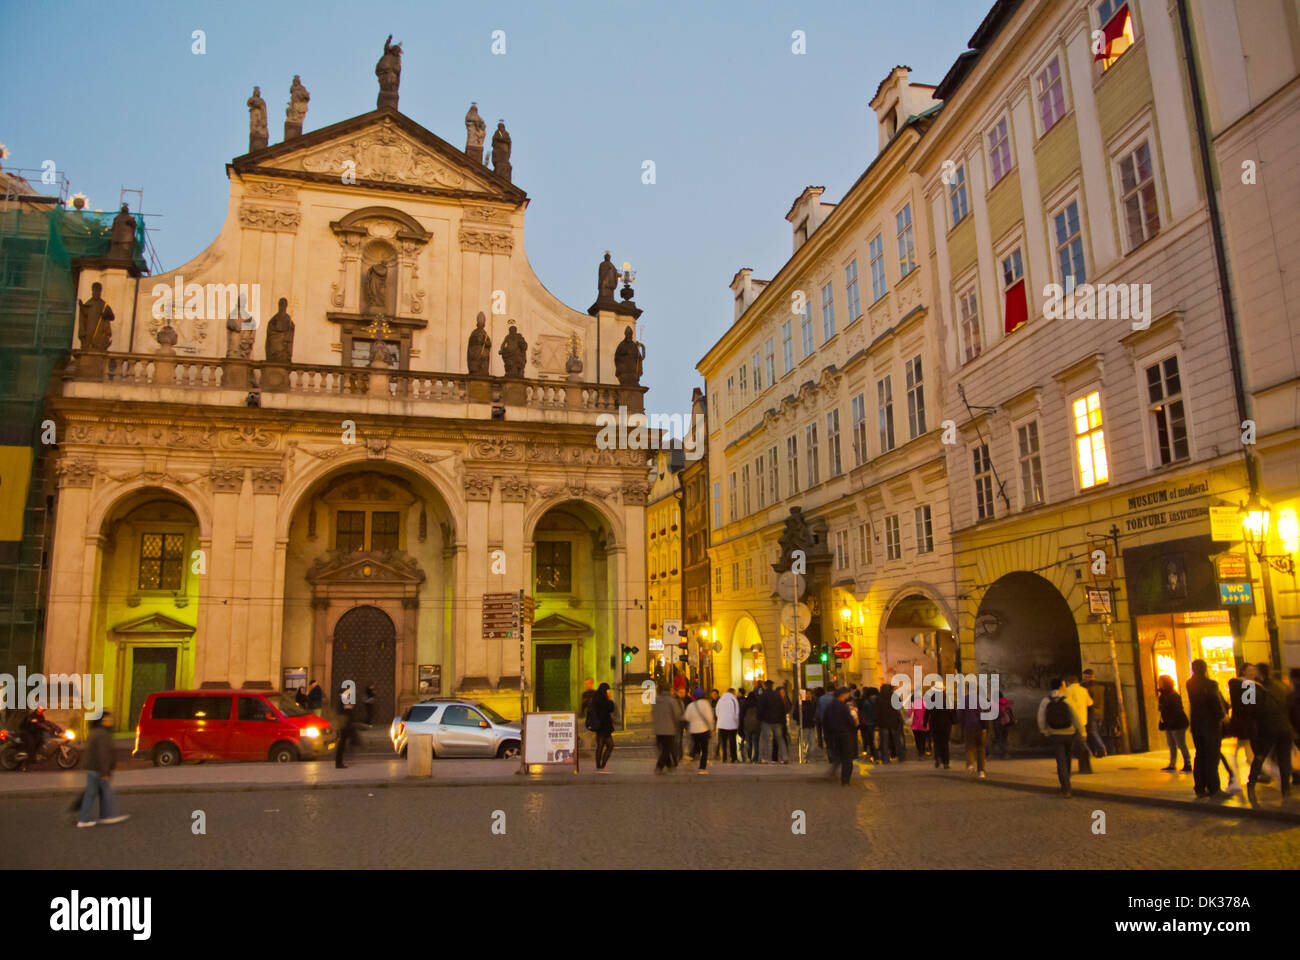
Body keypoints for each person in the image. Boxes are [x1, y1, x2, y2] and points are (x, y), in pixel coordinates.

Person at [1247, 663, 1294, 802]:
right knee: (1285, 758)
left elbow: (1248, 710)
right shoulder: (1281, 686)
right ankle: (1286, 789)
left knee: (1260, 757)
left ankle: (1251, 786)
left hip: (1267, 729)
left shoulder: (1251, 687)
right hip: (1285, 728)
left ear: (1259, 673)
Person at [77, 711, 128, 827]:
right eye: (107, 719)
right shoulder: (103, 734)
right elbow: (103, 754)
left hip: (92, 767)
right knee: (107, 792)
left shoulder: (94, 731)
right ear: (101, 721)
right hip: (98, 768)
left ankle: (84, 819)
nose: (110, 721)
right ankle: (107, 816)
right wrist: (106, 771)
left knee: (91, 793)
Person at [1186, 659, 1227, 798]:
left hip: (1197, 724)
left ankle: (1200, 788)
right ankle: (1214, 788)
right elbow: (1215, 702)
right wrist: (1222, 716)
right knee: (1212, 756)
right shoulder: (1210, 684)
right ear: (1205, 669)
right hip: (1210, 724)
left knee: (1200, 755)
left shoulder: (1190, 683)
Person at [1038, 678, 1085, 797]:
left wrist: (1044, 731)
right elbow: (1076, 717)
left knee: (1060, 761)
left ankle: (1065, 788)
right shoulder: (1068, 700)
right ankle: (1067, 780)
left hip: (1055, 734)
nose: (1065, 687)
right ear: (1060, 687)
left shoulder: (1045, 701)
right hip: (1069, 733)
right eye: (1064, 685)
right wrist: (1082, 731)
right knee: (1068, 758)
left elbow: (1041, 718)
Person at [823, 687, 859, 785]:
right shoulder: (843, 707)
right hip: (845, 734)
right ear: (843, 694)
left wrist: (827, 735)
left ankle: (833, 772)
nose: (848, 695)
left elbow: (825, 722)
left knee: (839, 756)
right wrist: (854, 723)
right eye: (847, 693)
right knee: (847, 758)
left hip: (834, 735)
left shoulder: (829, 706)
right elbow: (850, 721)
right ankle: (845, 779)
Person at [1155, 675, 1191, 772]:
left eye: (1161, 682)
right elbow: (1161, 708)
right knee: (1171, 744)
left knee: (1180, 743)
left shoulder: (1173, 695)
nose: (1159, 684)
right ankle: (1172, 763)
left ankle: (1187, 763)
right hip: (1169, 723)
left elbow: (1177, 709)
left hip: (1177, 723)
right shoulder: (1163, 695)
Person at [957, 682, 991, 779]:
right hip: (980, 727)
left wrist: (962, 725)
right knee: (981, 749)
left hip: (968, 727)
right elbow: (987, 712)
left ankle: (970, 765)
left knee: (969, 747)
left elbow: (959, 715)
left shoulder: (964, 700)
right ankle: (981, 771)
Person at [1065, 674, 1099, 760]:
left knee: (1077, 737)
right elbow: (1090, 702)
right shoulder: (1083, 690)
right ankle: (1080, 753)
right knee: (1080, 736)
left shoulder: (1067, 691)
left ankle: (1087, 753)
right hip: (1083, 718)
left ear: (1068, 682)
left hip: (1072, 718)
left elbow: (1066, 704)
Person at [652, 685, 684, 773]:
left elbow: (653, 713)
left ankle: (669, 766)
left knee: (663, 748)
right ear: (669, 691)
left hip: (658, 729)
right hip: (669, 729)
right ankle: (659, 766)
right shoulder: (671, 701)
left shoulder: (655, 700)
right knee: (667, 749)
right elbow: (677, 715)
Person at [683, 688, 715, 774]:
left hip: (693, 730)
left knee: (695, 747)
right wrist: (711, 728)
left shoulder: (691, 705)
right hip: (704, 730)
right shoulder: (705, 704)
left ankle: (690, 757)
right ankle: (702, 768)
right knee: (704, 750)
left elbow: (686, 717)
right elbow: (709, 718)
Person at [758, 679, 788, 763]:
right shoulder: (777, 695)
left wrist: (760, 718)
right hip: (777, 721)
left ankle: (765, 758)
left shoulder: (763, 696)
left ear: (765, 686)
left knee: (765, 740)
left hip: (766, 721)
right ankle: (784, 757)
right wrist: (781, 718)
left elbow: (760, 709)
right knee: (780, 739)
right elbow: (782, 708)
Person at [589, 683, 617, 772]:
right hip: (604, 726)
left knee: (600, 746)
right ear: (605, 691)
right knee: (610, 745)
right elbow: (611, 708)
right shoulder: (604, 700)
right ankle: (602, 765)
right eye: (608, 691)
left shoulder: (596, 699)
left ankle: (599, 765)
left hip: (600, 726)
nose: (609, 692)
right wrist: (610, 698)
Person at [1080, 669, 1108, 757]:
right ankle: (1096, 751)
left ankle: (1101, 748)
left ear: (1087, 677)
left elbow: (1087, 702)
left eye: (1085, 677)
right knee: (1095, 732)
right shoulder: (1101, 687)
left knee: (1092, 732)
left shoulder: (1085, 688)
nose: (1084, 679)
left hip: (1091, 713)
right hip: (1100, 712)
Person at [876, 682, 905, 762]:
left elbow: (877, 711)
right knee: (897, 741)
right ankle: (901, 757)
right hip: (893, 722)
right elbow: (899, 707)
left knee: (884, 742)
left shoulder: (878, 698)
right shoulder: (894, 696)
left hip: (883, 723)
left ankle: (885, 759)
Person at [929, 685, 955, 770]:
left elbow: (927, 711)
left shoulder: (932, 699)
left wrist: (925, 723)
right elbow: (952, 711)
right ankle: (946, 762)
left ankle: (937, 758)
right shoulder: (947, 698)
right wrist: (953, 721)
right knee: (945, 744)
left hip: (935, 724)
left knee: (937, 743)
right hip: (945, 725)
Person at [335, 685, 359, 768]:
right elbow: (346, 711)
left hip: (346, 724)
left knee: (344, 742)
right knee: (342, 743)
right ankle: (338, 762)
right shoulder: (343, 701)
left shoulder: (344, 700)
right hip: (344, 725)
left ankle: (340, 761)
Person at [715, 688, 740, 762]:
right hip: (731, 724)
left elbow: (717, 711)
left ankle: (724, 757)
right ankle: (733, 758)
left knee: (723, 742)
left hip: (721, 724)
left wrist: (720, 719)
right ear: (733, 692)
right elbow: (736, 713)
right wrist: (737, 723)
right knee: (732, 742)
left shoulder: (720, 700)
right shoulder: (734, 700)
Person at [795, 690, 818, 762]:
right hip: (804, 726)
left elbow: (815, 712)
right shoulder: (801, 704)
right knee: (803, 743)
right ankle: (803, 758)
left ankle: (810, 758)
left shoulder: (813, 703)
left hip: (811, 725)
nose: (808, 696)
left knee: (812, 743)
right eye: (806, 694)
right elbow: (795, 714)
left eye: (809, 694)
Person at [857, 687, 878, 763]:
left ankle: (873, 757)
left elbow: (863, 714)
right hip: (878, 723)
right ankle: (880, 756)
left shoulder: (866, 702)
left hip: (869, 724)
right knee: (879, 740)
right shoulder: (879, 700)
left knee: (871, 741)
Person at [992, 692, 1014, 759]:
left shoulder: (995, 704)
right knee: (1004, 739)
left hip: (998, 724)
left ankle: (1002, 754)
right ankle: (1005, 753)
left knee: (999, 739)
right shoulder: (1007, 703)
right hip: (1006, 723)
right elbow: (1011, 713)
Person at [742, 687, 761, 762]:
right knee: (756, 743)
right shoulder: (757, 704)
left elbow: (742, 715)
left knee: (748, 742)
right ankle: (756, 758)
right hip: (756, 726)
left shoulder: (745, 704)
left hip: (747, 726)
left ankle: (749, 757)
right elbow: (760, 714)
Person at [908, 691, 928, 758]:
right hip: (923, 725)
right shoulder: (925, 703)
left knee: (917, 739)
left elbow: (909, 714)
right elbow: (927, 714)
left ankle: (920, 752)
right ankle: (922, 752)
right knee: (923, 739)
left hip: (915, 726)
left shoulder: (913, 704)